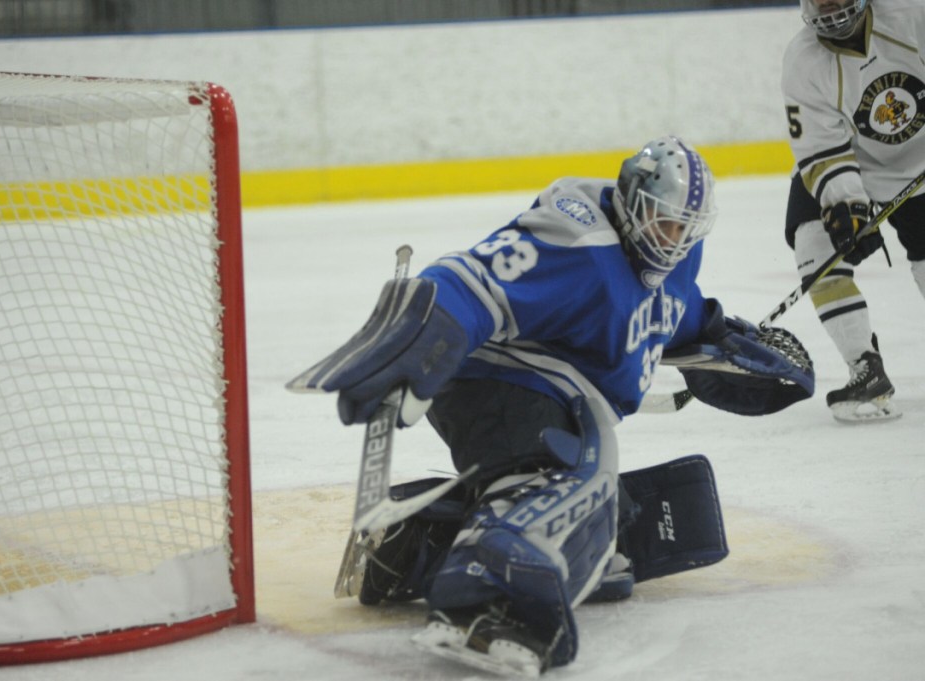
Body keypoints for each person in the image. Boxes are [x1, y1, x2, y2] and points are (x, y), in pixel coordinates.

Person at [288, 136, 814, 677]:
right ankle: (491, 595)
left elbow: (666, 311)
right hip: (497, 375)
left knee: (603, 523)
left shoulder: (677, 259)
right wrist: (426, 333)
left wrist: (718, 338)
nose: (671, 240)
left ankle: (415, 544)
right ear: (633, 201)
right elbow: (471, 281)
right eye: (662, 221)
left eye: (684, 229)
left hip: (562, 390)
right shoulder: (579, 236)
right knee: (574, 479)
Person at [781, 0, 925, 422]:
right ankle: (865, 368)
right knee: (815, 248)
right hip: (851, 163)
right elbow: (821, 147)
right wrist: (847, 206)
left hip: (918, 163)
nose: (828, 6)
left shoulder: (911, 15)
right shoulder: (803, 60)